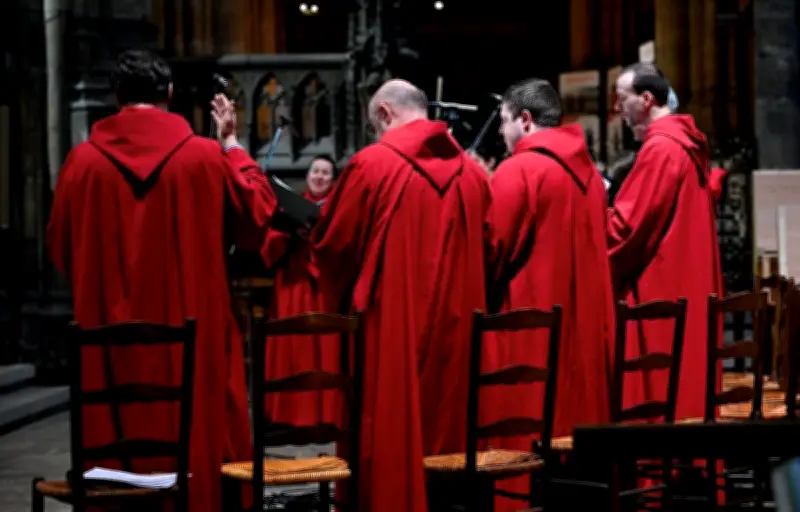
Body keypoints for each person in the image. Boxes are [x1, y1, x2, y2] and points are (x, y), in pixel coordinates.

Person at [46, 50, 276, 512]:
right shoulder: (206, 157)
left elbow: (59, 251)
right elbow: (259, 219)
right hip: (198, 336)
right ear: (169, 94)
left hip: (107, 344)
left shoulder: (82, 164)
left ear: (116, 97)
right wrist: (231, 143)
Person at [311, 79, 492, 512]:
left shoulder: (372, 165)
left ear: (386, 115)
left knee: (390, 430)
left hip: (391, 336)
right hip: (459, 343)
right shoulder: (474, 175)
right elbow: (491, 249)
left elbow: (333, 248)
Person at [485, 78, 615, 511]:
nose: (501, 133)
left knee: (521, 446)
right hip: (582, 333)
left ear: (524, 120)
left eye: (503, 121)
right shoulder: (591, 177)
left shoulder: (519, 170)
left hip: (530, 330)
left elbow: (491, 249)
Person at [609, 62, 723, 421]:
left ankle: (659, 473)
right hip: (685, 285)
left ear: (645, 100)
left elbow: (626, 228)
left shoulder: (662, 150)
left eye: (621, 98)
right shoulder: (683, 145)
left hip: (660, 292)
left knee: (660, 401)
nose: (616, 109)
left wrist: (587, 217)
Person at [260, 155, 340, 428]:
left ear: (334, 180)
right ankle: (289, 416)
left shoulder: (339, 208)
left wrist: (318, 236)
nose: (319, 176)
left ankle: (327, 415)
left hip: (322, 288)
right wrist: (292, 232)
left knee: (324, 349)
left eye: (326, 173)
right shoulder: (287, 207)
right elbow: (268, 249)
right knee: (293, 348)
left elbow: (346, 246)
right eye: (315, 171)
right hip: (292, 286)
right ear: (307, 175)